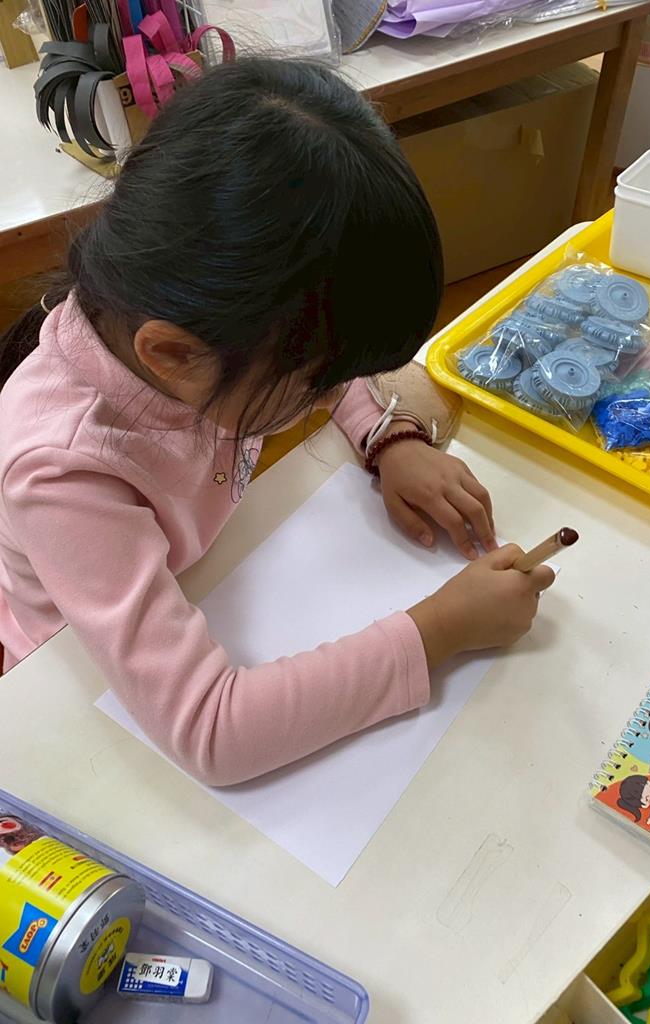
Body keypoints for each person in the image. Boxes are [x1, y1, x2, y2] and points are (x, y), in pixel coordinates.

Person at [0, 57, 554, 787]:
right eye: (315, 383)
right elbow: (213, 732)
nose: (329, 395)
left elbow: (315, 355)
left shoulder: (189, 328)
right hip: (73, 696)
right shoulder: (63, 472)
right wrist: (440, 630)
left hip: (207, 580)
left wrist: (388, 436)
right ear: (175, 354)